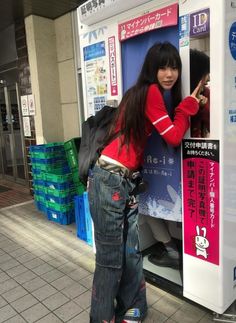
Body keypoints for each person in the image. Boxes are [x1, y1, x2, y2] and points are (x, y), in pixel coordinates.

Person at [88, 42, 202, 323]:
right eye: (163, 67)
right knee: (110, 261)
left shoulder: (140, 94)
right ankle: (102, 318)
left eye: (174, 67)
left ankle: (134, 309)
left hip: (122, 181)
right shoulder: (150, 92)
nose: (169, 73)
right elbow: (174, 137)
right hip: (110, 181)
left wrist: (184, 105)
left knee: (130, 253)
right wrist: (189, 107)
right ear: (152, 69)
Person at [190, 48, 210, 138]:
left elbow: (213, 127)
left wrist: (203, 107)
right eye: (206, 73)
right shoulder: (179, 94)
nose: (208, 78)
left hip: (200, 148)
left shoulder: (206, 92)